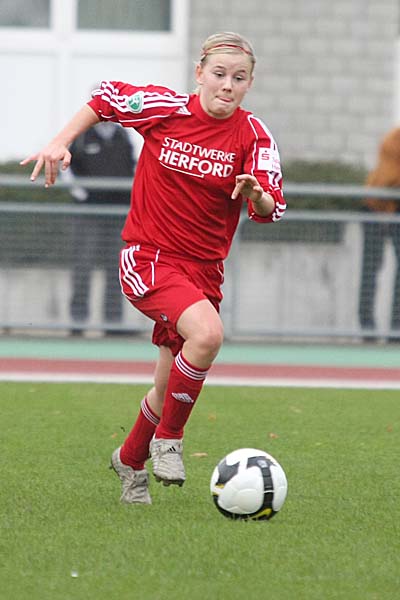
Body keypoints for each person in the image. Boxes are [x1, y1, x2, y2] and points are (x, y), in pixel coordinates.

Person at [21, 31, 287, 505]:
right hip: (149, 258)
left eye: (239, 78)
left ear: (250, 83)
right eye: (219, 74)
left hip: (204, 272)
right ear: (199, 73)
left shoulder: (253, 134)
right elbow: (105, 98)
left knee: (166, 391)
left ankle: (130, 460)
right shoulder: (166, 109)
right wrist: (60, 142)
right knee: (208, 335)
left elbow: (272, 207)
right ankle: (170, 442)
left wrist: (256, 194)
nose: (227, 85)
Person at [67, 122, 136, 332]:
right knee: (82, 265)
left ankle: (113, 323)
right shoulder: (81, 137)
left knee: (118, 268)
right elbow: (66, 168)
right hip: (88, 214)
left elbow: (135, 166)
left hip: (119, 214)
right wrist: (82, 194)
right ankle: (77, 322)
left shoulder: (124, 136)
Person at [359, 127, 400, 340]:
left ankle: (396, 329)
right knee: (371, 267)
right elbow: (387, 182)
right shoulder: (394, 141)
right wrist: (385, 215)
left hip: (393, 207)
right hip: (376, 208)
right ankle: (367, 326)